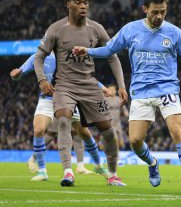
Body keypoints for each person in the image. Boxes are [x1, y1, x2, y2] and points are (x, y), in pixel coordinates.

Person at [72, 0, 181, 187]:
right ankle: (152, 162)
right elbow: (109, 50)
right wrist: (87, 51)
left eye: (163, 12)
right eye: (155, 12)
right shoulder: (130, 30)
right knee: (135, 141)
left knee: (176, 130)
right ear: (145, 9)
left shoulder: (174, 32)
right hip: (140, 92)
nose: (159, 16)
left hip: (167, 88)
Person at [34, 0, 127, 186]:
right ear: (68, 4)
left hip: (89, 86)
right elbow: (39, 57)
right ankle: (68, 171)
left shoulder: (96, 28)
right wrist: (42, 80)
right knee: (64, 120)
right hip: (64, 85)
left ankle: (113, 174)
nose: (83, 6)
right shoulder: (56, 29)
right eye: (78, 2)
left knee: (108, 130)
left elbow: (112, 56)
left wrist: (121, 85)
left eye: (86, 2)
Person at [10, 53, 109, 181]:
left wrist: (102, 87)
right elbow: (20, 73)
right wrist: (16, 75)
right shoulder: (37, 57)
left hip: (67, 99)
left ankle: (98, 165)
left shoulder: (68, 56)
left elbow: (85, 76)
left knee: (84, 133)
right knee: (38, 130)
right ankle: (42, 172)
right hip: (47, 99)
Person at [105, 83, 129, 150]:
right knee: (114, 140)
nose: (113, 91)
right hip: (109, 123)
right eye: (111, 90)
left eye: (114, 89)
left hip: (118, 123)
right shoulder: (105, 99)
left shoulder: (119, 99)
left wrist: (128, 116)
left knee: (121, 143)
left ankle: (115, 155)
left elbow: (124, 110)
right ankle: (116, 158)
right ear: (108, 90)